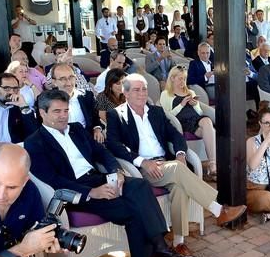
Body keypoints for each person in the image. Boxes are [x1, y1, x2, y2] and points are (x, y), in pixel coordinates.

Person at [26, 89, 195, 257]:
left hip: (97, 178)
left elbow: (101, 152)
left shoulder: (77, 129)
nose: (63, 116)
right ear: (42, 113)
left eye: (66, 110)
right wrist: (92, 192)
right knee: (134, 213)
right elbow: (53, 181)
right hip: (75, 194)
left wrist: (116, 171)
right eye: (57, 111)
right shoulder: (34, 142)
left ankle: (159, 248)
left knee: (140, 185)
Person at [105, 74, 247, 235]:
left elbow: (175, 135)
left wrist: (180, 154)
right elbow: (113, 144)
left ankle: (179, 242)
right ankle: (218, 210)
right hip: (143, 169)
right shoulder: (115, 115)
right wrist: (142, 162)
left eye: (144, 89)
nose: (142, 93)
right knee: (178, 169)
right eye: (137, 90)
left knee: (179, 187)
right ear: (126, 93)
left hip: (166, 163)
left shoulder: (156, 112)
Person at [161, 66, 217, 181]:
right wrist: (181, 104)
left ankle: (212, 164)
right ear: (172, 78)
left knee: (207, 122)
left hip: (196, 120)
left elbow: (199, 113)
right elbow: (166, 115)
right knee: (209, 129)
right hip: (180, 122)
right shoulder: (166, 94)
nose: (183, 82)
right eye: (180, 79)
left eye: (184, 79)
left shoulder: (190, 91)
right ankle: (211, 166)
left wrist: (194, 104)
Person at [49, 63, 104, 142]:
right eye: (63, 79)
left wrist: (97, 128)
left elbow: (95, 117)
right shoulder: (47, 100)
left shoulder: (87, 96)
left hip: (87, 139)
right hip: (61, 142)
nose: (68, 82)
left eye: (71, 77)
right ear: (54, 81)